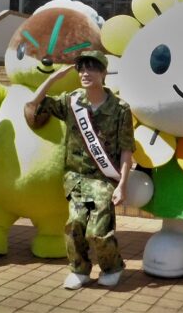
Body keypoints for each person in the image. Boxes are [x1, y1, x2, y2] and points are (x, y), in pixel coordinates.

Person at [24, 50, 134, 290]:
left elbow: (127, 149)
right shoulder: (71, 100)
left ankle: (112, 267)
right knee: (74, 225)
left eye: (91, 68)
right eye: (81, 68)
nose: (85, 73)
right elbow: (34, 104)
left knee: (98, 231)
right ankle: (79, 270)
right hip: (75, 178)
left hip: (104, 179)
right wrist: (52, 79)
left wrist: (123, 184)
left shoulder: (120, 108)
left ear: (103, 73)